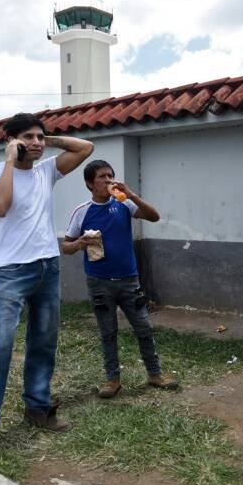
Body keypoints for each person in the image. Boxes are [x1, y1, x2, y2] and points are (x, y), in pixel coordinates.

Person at [0, 112, 94, 457]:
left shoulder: (46, 169)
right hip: (12, 273)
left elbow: (86, 147)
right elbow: (0, 206)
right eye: (28, 137)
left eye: (40, 136)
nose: (36, 142)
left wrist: (44, 143)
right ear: (10, 140)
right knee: (1, 346)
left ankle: (37, 407)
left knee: (43, 342)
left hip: (47, 268)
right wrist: (11, 159)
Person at [62, 160, 178, 399]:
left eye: (111, 176)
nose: (108, 181)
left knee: (144, 327)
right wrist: (79, 244)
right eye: (102, 177)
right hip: (99, 282)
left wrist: (131, 194)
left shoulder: (124, 205)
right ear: (89, 183)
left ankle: (155, 374)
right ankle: (113, 379)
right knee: (108, 331)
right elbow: (66, 246)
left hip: (129, 281)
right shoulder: (81, 211)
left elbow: (154, 217)